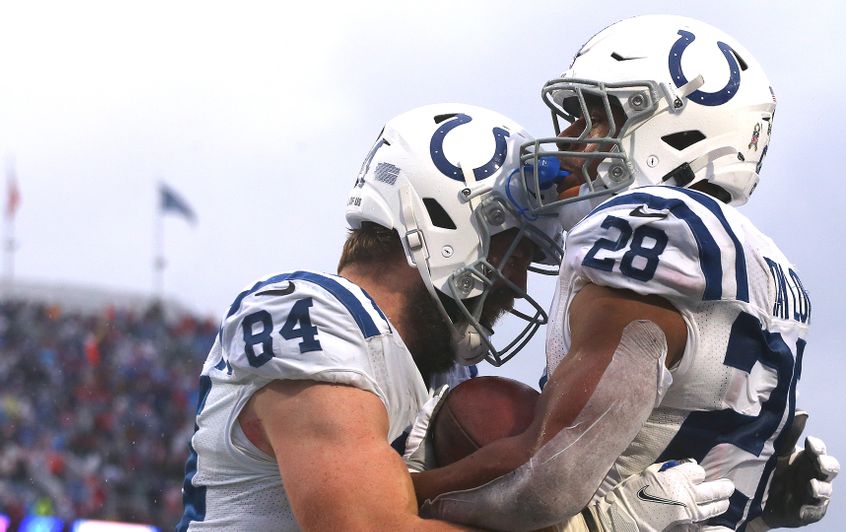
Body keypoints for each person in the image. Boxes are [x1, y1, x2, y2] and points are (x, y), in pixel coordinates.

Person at [175, 102, 734, 531]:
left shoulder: (431, 378)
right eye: (513, 250)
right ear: (446, 224)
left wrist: (740, 490)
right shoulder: (315, 314)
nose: (517, 285)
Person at [413, 15, 838, 532]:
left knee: (479, 410)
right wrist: (765, 499)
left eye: (595, 119)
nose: (568, 142)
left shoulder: (645, 226)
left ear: (677, 132)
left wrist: (400, 490)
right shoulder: (772, 267)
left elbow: (547, 480)